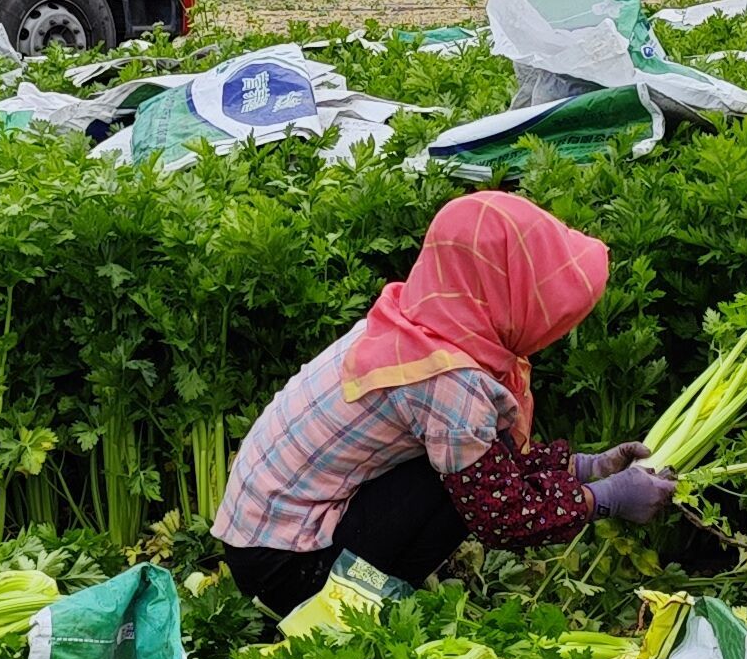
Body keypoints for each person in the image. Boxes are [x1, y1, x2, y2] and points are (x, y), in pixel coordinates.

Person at [212, 192, 679, 620]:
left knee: (460, 470)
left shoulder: (417, 320)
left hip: (261, 537)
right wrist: (607, 500)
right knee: (458, 492)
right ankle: (352, 605)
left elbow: (492, 464)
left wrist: (588, 467)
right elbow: (501, 514)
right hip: (285, 566)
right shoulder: (447, 381)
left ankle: (365, 584)